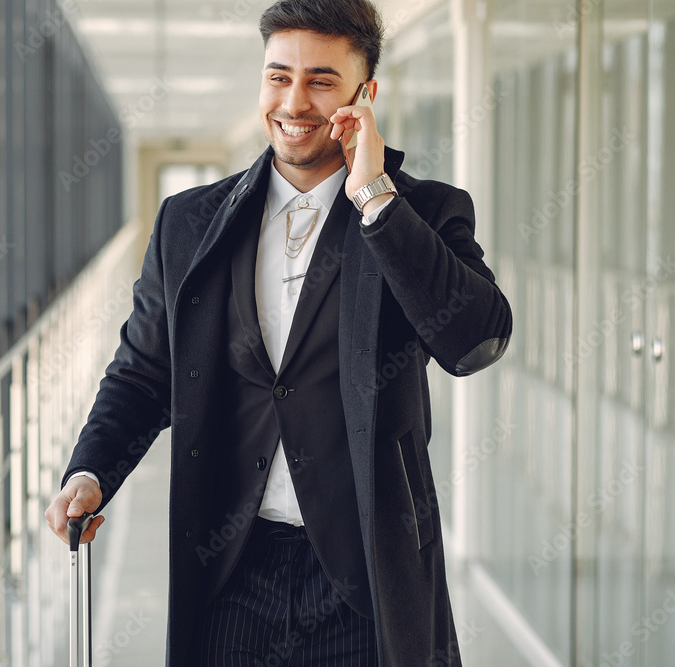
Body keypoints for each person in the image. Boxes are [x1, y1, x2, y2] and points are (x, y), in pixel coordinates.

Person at [46, 0, 512, 664]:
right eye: (278, 76)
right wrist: (92, 468)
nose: (294, 101)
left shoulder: (423, 212)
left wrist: (376, 197)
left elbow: (475, 341)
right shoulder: (188, 223)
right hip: (230, 571)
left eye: (321, 80)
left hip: (366, 577)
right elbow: (144, 372)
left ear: (365, 95)